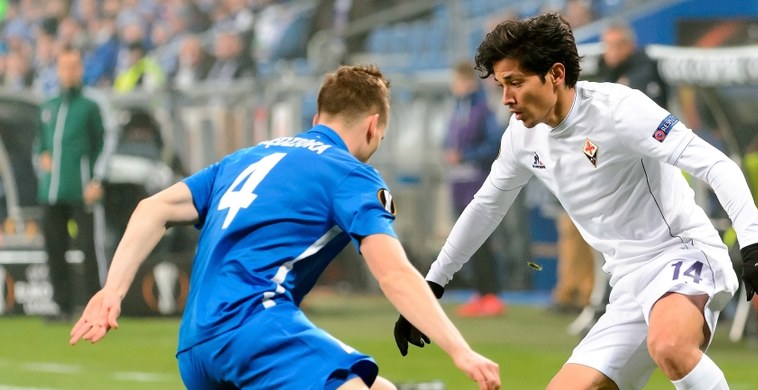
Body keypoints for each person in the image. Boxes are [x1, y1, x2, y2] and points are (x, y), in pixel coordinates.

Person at [393, 13, 758, 389]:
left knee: (671, 347)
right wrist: (433, 282)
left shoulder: (618, 110)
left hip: (681, 254)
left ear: (555, 74)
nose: (507, 99)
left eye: (515, 82)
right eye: (501, 86)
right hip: (626, 284)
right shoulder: (520, 136)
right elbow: (486, 207)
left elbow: (715, 164)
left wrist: (754, 247)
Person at [69, 65, 501, 390]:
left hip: (195, 345)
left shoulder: (244, 158)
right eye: (382, 134)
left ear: (318, 116)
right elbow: (393, 272)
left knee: (375, 385)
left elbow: (151, 208)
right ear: (374, 126)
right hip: (253, 326)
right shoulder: (349, 173)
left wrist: (113, 291)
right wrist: (459, 350)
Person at [36, 47, 109, 322]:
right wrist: (41, 159)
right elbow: (40, 144)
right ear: (58, 69)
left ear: (81, 69)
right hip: (51, 191)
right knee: (55, 248)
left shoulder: (91, 105)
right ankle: (61, 305)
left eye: (74, 66)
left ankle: (96, 305)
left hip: (82, 190)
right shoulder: (48, 106)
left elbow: (104, 142)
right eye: (65, 66)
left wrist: (97, 178)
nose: (69, 72)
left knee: (89, 248)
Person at [444, 60, 505, 317]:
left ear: (468, 82)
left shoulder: (482, 110)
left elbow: (494, 142)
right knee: (466, 240)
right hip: (458, 183)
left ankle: (491, 293)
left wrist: (467, 155)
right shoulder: (456, 110)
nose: (454, 86)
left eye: (458, 81)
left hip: (477, 181)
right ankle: (480, 293)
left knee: (481, 239)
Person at [594, 19, 668, 108]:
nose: (613, 52)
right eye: (608, 45)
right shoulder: (603, 68)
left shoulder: (645, 68)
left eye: (618, 45)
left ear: (631, 45)